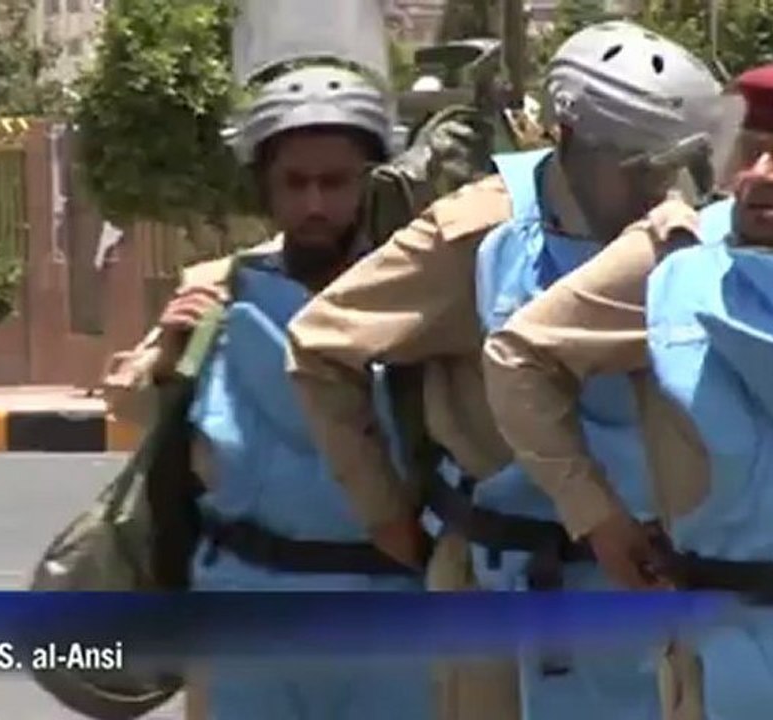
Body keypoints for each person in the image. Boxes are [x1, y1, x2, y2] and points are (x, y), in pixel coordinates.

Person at [286, 21, 723, 720]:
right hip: (505, 587)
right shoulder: (476, 235)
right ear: (572, 138)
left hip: (647, 591)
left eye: (667, 166)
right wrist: (387, 516)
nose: (657, 188)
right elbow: (319, 344)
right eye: (636, 168)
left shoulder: (673, 233)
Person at [101, 64, 435, 720]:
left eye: (335, 183)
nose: (314, 205)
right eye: (295, 183)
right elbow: (136, 408)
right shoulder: (219, 287)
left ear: (374, 183)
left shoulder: (420, 292)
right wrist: (170, 350)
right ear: (265, 188)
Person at [480, 64, 773, 720]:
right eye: (750, 150)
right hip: (720, 642)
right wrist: (598, 518)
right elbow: (518, 356)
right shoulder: (677, 255)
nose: (762, 176)